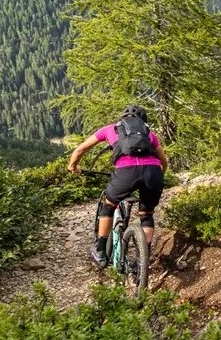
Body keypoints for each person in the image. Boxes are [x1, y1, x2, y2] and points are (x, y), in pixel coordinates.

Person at [68, 105, 169, 265]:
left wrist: (73, 166)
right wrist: (158, 176)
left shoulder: (110, 129)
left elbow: (80, 150)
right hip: (153, 172)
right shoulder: (149, 133)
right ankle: (144, 258)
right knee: (146, 214)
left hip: (125, 172)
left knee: (108, 205)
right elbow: (163, 161)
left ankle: (100, 251)